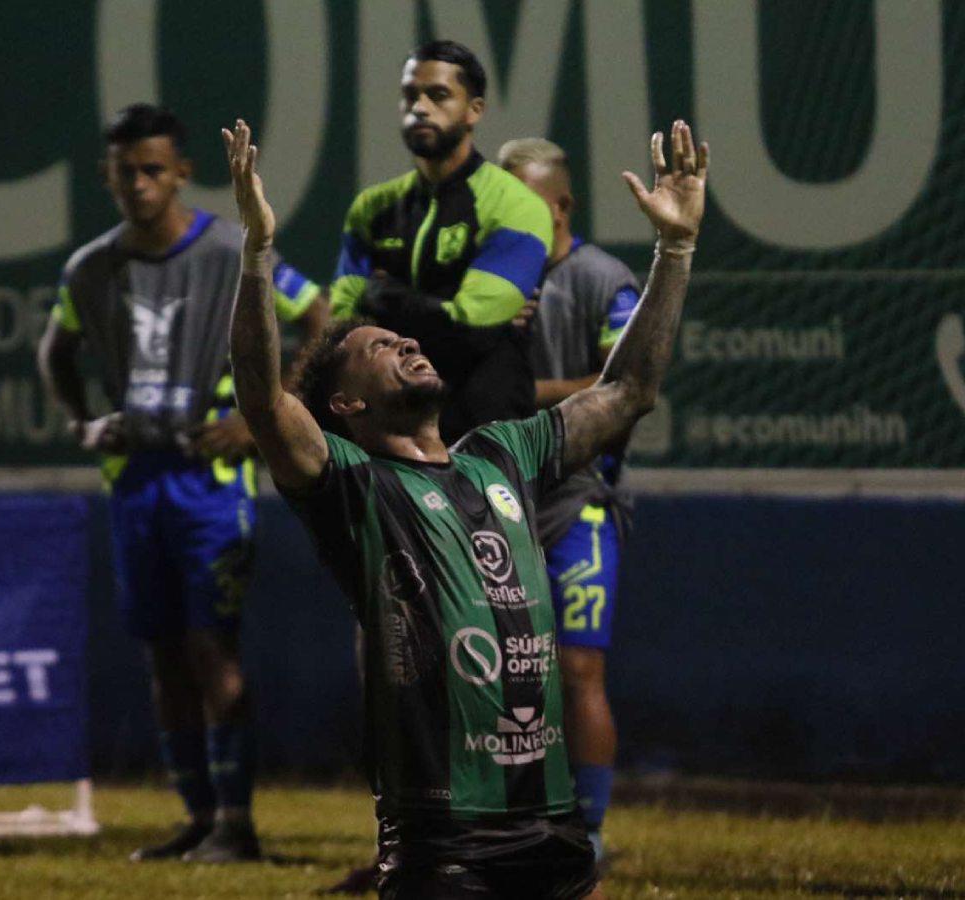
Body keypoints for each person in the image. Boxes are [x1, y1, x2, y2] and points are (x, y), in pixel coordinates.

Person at [222, 117, 707, 898]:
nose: (408, 346)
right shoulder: (351, 484)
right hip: (443, 840)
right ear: (344, 404)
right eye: (380, 347)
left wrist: (675, 252)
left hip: (552, 828)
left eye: (406, 341)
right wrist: (256, 256)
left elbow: (628, 391)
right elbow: (262, 397)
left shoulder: (501, 454)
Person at [38, 104, 326, 863]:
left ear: (182, 174)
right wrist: (83, 424)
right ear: (106, 175)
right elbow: (54, 352)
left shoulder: (230, 249)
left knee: (211, 648)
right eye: (124, 171)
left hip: (211, 480)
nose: (138, 184)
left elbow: (321, 314)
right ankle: (199, 818)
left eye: (152, 170)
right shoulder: (91, 268)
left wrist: (265, 415)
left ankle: (238, 823)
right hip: (137, 479)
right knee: (163, 653)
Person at [499, 138, 641, 861]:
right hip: (494, 504)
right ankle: (509, 827)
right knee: (496, 673)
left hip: (578, 502)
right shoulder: (486, 282)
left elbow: (628, 386)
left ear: (560, 205)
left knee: (579, 668)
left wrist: (528, 402)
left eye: (517, 198)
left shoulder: (604, 278)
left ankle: (586, 835)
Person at [329, 40, 553, 443]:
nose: (420, 107)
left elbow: (471, 332)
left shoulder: (517, 206)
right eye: (410, 95)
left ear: (474, 110)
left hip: (484, 438)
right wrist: (440, 305)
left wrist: (381, 296)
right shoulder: (371, 208)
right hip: (388, 440)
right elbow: (344, 333)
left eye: (439, 95)